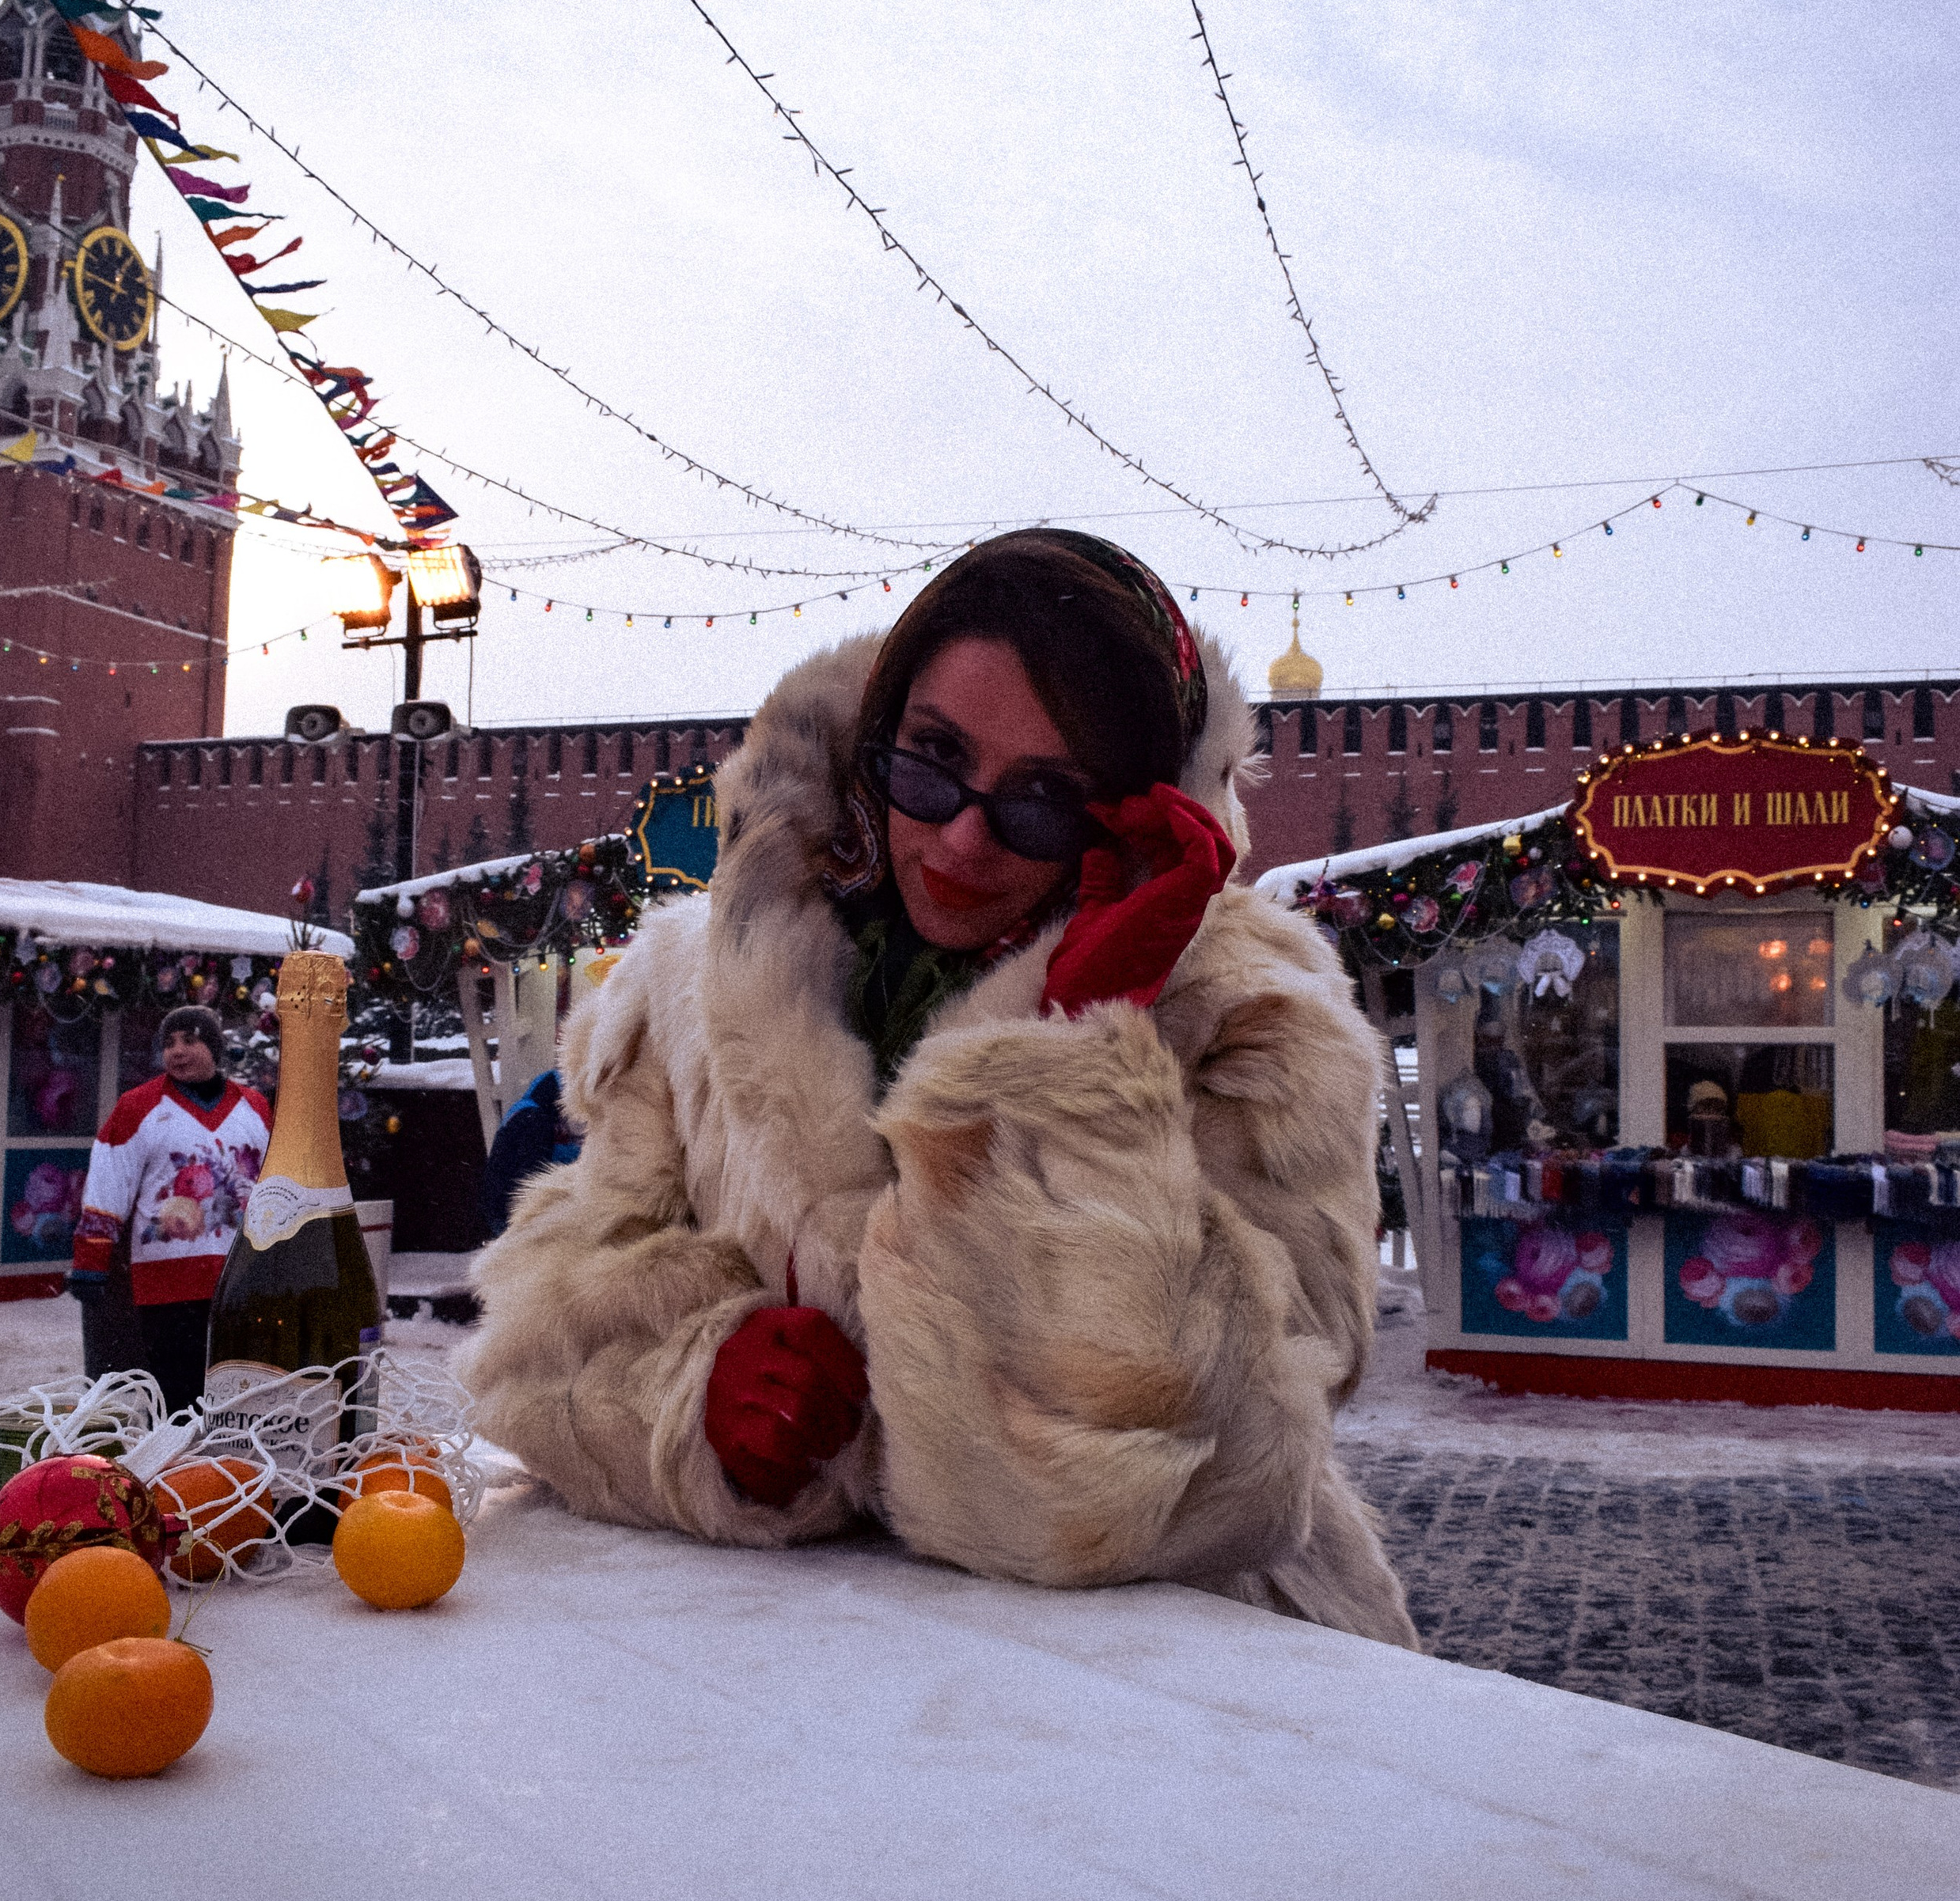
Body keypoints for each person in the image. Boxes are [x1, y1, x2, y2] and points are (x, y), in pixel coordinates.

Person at [464, 532, 1415, 1642]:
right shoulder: (705, 977)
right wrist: (690, 1400)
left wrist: (1080, 1060)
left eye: (1044, 799)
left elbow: (1214, 1479)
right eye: (929, 760)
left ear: (1133, 808)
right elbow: (537, 1342)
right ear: (876, 740)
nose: (964, 837)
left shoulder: (1252, 1021)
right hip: (770, 1666)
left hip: (1176, 1693)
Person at [67, 1005, 271, 1414]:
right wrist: (91, 1258)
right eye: (169, 1043)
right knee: (177, 1399)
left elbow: (276, 1185)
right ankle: (173, 1472)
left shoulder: (255, 1108)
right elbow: (108, 1184)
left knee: (239, 1395)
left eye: (190, 1040)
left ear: (214, 1046)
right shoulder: (137, 1107)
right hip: (166, 1284)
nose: (177, 1051)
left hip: (241, 1282)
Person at [482, 1067, 582, 1235]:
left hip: (512, 1209)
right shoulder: (533, 1121)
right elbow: (529, 1183)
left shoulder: (538, 1114)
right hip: (511, 1217)